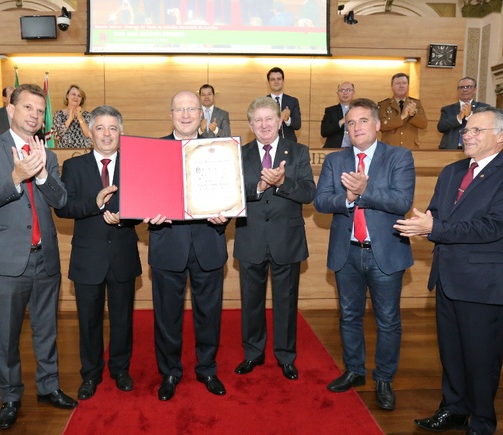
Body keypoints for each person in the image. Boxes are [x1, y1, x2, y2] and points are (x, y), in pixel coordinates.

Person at [394, 106, 503, 435]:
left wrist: (434, 228)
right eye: (466, 130)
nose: (466, 135)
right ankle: (454, 410)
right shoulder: (452, 170)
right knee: (452, 354)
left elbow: (492, 227)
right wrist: (424, 223)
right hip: (448, 278)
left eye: (476, 130)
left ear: (501, 136)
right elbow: (437, 215)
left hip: (484, 285)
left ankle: (481, 424)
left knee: (482, 359)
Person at [0, 84, 77, 431]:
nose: (34, 115)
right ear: (11, 109)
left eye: (39, 110)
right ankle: (12, 395)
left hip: (44, 256)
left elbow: (61, 202)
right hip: (5, 261)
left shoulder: (47, 153)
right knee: (7, 335)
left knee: (47, 329)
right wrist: (17, 177)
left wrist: (43, 173)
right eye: (28, 107)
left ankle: (48, 387)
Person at [314, 98, 415, 410]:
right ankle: (355, 370)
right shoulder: (334, 161)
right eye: (352, 122)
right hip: (347, 253)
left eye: (363, 121)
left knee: (387, 320)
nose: (357, 127)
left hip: (384, 254)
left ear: (378, 125)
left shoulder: (398, 157)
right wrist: (345, 199)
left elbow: (401, 201)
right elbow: (320, 201)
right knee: (349, 316)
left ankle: (384, 378)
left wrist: (363, 191)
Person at [146, 91, 229, 402]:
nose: (185, 114)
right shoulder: (153, 152)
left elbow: (231, 195)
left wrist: (225, 217)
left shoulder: (219, 150)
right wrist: (147, 214)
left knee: (209, 314)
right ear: (171, 114)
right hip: (168, 244)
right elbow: (143, 195)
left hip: (209, 242)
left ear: (201, 114)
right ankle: (169, 372)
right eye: (179, 109)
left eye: (191, 109)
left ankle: (207, 369)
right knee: (167, 315)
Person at [55, 105, 142, 400]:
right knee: (88, 321)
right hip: (87, 257)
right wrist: (95, 203)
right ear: (91, 132)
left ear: (121, 132)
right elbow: (64, 208)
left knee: (122, 319)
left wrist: (126, 216)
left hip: (122, 255)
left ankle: (120, 369)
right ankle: (90, 374)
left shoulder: (134, 163)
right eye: (101, 128)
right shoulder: (74, 167)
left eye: (113, 128)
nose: (107, 134)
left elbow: (143, 205)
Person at [233, 96, 316, 380]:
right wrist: (257, 187)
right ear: (250, 125)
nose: (264, 125)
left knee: (286, 302)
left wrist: (282, 184)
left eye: (270, 119)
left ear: (280, 121)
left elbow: (308, 193)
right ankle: (253, 354)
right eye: (258, 120)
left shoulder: (299, 151)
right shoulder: (238, 154)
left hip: (287, 240)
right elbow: (230, 193)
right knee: (251, 302)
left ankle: (286, 356)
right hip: (250, 237)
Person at [437, 77, 490, 149]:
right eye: (461, 87)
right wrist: (458, 118)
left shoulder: (484, 108)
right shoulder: (448, 109)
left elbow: (486, 126)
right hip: (450, 149)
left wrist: (469, 115)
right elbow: (441, 127)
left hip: (476, 148)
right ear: (457, 90)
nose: (464, 89)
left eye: (468, 87)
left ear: (475, 89)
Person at [378, 73, 428, 149]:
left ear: (408, 86)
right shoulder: (383, 105)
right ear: (392, 86)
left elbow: (424, 124)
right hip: (389, 149)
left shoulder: (415, 103)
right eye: (397, 83)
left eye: (404, 83)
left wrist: (413, 115)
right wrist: (402, 117)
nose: (401, 86)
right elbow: (382, 126)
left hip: (411, 148)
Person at [266, 67, 301, 142]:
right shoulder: (262, 102)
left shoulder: (293, 101)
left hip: (289, 144)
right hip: (268, 143)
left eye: (279, 79)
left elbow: (297, 125)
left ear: (283, 81)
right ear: (268, 82)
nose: (276, 82)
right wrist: (279, 117)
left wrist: (287, 119)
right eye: (273, 79)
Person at [320, 81, 356, 148]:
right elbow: (324, 132)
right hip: (333, 149)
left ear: (353, 93)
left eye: (348, 90)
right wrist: (341, 121)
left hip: (355, 149)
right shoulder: (330, 111)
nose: (345, 93)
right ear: (337, 93)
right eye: (342, 90)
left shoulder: (359, 110)